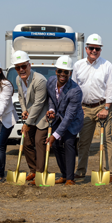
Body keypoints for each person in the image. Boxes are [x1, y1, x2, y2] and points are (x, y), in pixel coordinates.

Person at [72, 34, 112, 182]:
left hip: (102, 106)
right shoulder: (78, 66)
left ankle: (109, 172)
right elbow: (74, 89)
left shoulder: (107, 66)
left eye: (97, 48)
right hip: (84, 108)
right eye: (91, 48)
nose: (94, 51)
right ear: (86, 49)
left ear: (100, 50)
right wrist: (78, 107)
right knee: (84, 141)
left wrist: (107, 108)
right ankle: (80, 171)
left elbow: (111, 88)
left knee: (106, 140)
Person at [46, 55, 84, 186]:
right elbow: (51, 98)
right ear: (56, 71)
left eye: (66, 72)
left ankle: (70, 178)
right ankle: (63, 174)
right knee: (56, 146)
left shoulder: (75, 91)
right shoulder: (50, 82)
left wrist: (54, 135)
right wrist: (51, 110)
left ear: (70, 73)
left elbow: (69, 117)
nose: (62, 74)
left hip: (72, 121)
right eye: (60, 71)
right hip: (58, 117)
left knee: (68, 143)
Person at [12, 50, 48, 185]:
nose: (21, 70)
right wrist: (24, 110)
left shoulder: (39, 80)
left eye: (23, 66)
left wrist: (27, 122)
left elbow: (39, 104)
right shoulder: (18, 79)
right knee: (26, 141)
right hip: (31, 116)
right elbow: (21, 97)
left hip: (42, 117)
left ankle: (40, 173)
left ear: (29, 65)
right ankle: (32, 170)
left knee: (39, 141)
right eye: (18, 67)